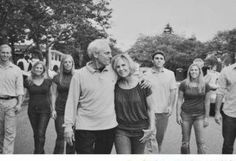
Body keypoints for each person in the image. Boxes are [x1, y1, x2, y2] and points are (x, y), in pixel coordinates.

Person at [64, 39, 118, 154]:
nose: (111, 56)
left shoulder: (114, 72)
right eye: (107, 53)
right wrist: (68, 126)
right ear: (96, 54)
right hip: (85, 128)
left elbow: (131, 76)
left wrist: (145, 80)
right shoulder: (79, 75)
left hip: (108, 127)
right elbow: (71, 102)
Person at [111, 54, 155, 154]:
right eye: (118, 67)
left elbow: (151, 108)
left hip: (141, 130)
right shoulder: (113, 86)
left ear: (129, 66)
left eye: (123, 65)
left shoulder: (143, 84)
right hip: (121, 130)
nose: (121, 69)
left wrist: (152, 127)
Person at [144, 51, 177, 153]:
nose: (159, 60)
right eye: (156, 58)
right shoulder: (146, 74)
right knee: (149, 139)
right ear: (152, 60)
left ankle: (158, 154)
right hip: (148, 112)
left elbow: (173, 91)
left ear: (164, 61)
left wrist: (171, 106)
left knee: (159, 139)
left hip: (163, 112)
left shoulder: (170, 74)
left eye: (161, 58)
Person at [176, 63, 211, 154]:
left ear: (199, 72)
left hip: (199, 116)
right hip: (185, 115)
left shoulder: (205, 85)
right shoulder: (184, 84)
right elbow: (179, 100)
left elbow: (207, 102)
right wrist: (177, 115)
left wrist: (206, 117)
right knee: (185, 142)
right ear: (189, 72)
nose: (193, 71)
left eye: (196, 70)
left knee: (201, 143)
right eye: (192, 70)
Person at [24, 61, 54, 154]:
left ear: (43, 70)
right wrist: (18, 104)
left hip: (45, 111)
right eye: (37, 67)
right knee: (36, 134)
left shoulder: (48, 81)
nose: (39, 69)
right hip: (32, 111)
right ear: (34, 68)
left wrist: (53, 109)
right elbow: (24, 95)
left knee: (41, 133)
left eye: (41, 68)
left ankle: (37, 153)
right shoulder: (28, 80)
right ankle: (40, 151)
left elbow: (52, 95)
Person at [0, 44, 24, 154]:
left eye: (7, 52)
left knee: (9, 133)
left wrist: (19, 104)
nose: (5, 54)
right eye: (3, 52)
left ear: (10, 54)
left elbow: (19, 88)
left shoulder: (16, 70)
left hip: (11, 104)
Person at [51, 54, 75, 154]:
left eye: (70, 62)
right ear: (62, 64)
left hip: (74, 110)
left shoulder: (76, 76)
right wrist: (53, 109)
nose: (67, 64)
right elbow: (53, 94)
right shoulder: (57, 77)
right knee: (61, 135)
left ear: (72, 63)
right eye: (65, 62)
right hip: (60, 109)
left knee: (72, 137)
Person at [215, 59, 236, 154]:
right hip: (230, 115)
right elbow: (220, 92)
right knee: (227, 145)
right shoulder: (226, 71)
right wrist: (217, 112)